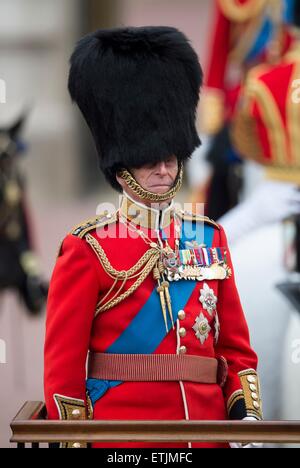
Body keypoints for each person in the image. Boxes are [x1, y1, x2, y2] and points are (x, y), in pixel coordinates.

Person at [44, 26, 262, 449]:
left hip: (206, 437)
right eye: (150, 162)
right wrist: (74, 440)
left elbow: (235, 349)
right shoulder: (88, 248)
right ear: (123, 164)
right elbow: (63, 370)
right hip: (123, 443)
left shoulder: (209, 238)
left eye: (170, 158)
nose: (164, 170)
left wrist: (245, 414)